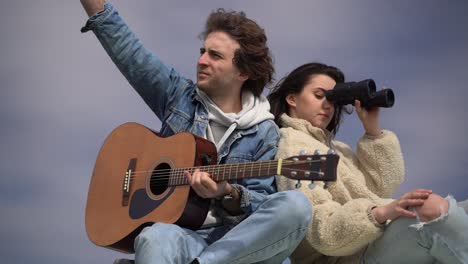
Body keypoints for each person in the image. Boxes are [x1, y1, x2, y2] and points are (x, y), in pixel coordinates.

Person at [79, 1, 312, 264]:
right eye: (203, 51)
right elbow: (130, 52)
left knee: (296, 206)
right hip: (181, 235)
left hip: (235, 244)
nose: (201, 60)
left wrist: (227, 193)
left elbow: (261, 208)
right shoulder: (179, 97)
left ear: (243, 71)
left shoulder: (264, 132)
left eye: (215, 55)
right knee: (154, 238)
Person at [268, 62, 468, 263]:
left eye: (332, 99)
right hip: (343, 259)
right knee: (430, 208)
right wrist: (378, 213)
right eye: (319, 96)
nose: (328, 105)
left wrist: (372, 130)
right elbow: (322, 231)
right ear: (292, 98)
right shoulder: (294, 148)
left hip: (373, 243)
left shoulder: (338, 150)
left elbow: (382, 187)